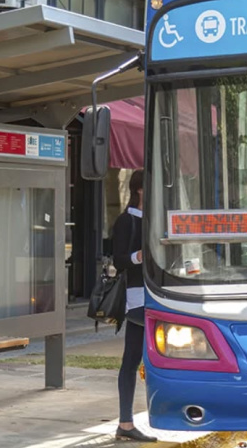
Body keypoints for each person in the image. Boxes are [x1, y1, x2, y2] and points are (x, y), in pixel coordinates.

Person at [111, 170, 157, 443]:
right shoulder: (126, 221)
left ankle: (129, 421)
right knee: (132, 360)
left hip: (157, 295)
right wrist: (140, 256)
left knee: (140, 359)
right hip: (138, 297)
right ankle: (125, 422)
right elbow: (119, 260)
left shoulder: (154, 219)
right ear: (140, 189)